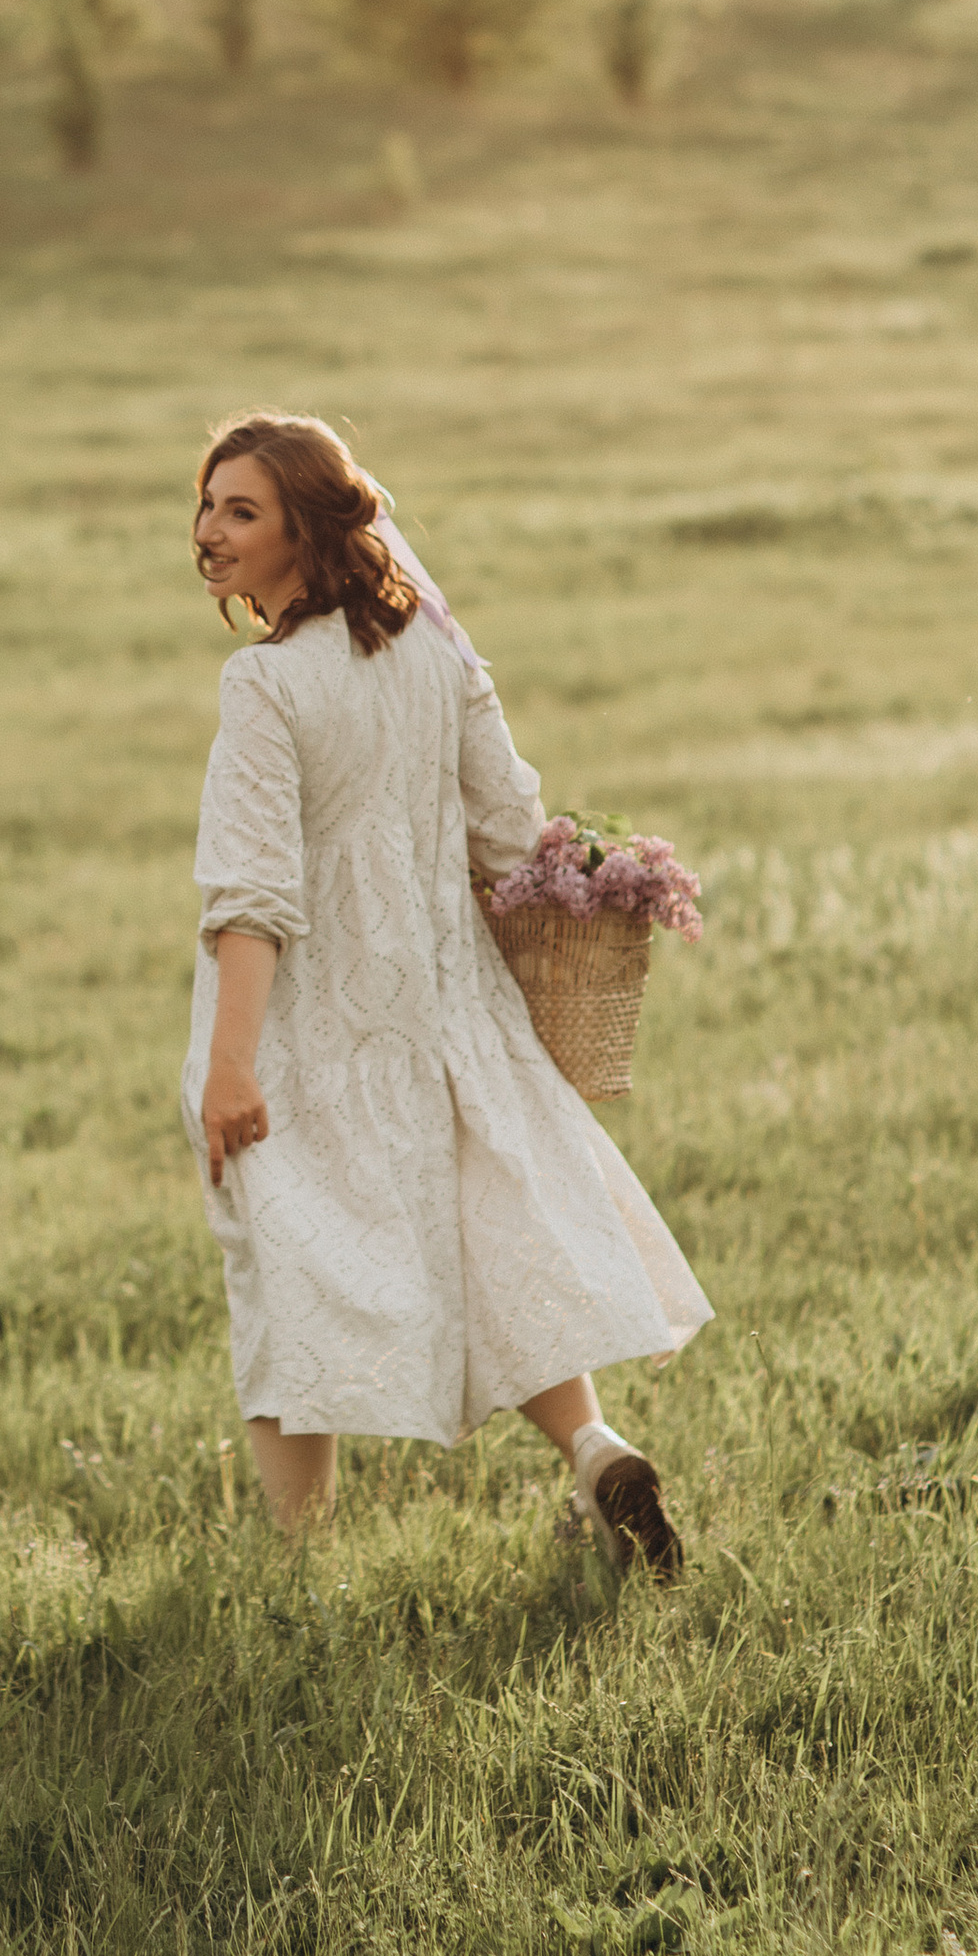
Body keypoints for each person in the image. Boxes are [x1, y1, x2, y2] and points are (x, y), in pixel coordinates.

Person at [183, 410, 709, 1569]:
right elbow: (510, 829)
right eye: (207, 505)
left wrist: (228, 1067)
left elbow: (253, 895)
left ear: (308, 532)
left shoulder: (263, 684)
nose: (208, 532)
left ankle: (295, 1571)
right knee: (485, 1243)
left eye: (241, 512)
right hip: (448, 1010)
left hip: (308, 1028)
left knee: (286, 1268)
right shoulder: (433, 653)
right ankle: (595, 1451)